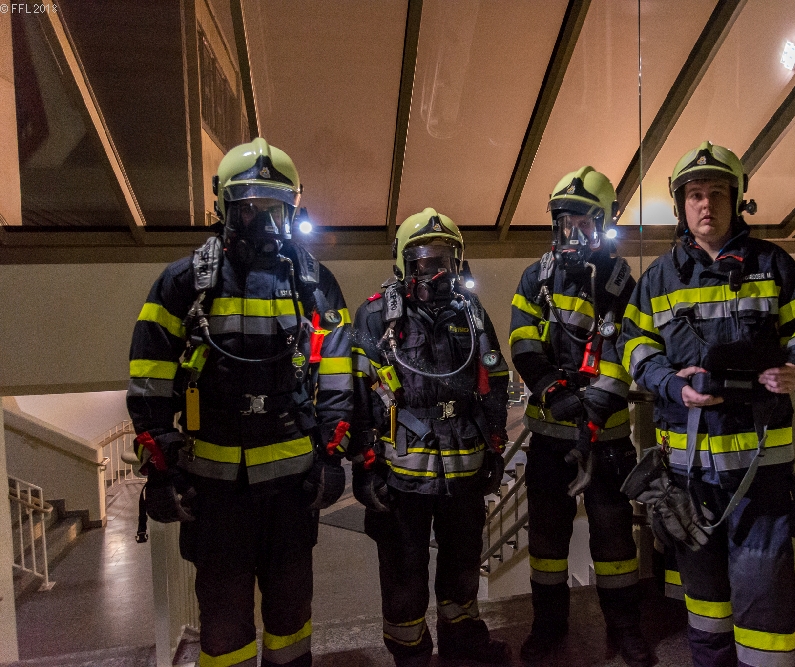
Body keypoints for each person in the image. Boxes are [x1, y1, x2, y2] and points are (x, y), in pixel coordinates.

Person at [127, 138, 353, 667]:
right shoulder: (184, 283)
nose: (265, 222)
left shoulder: (314, 283)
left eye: (277, 208)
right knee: (224, 626)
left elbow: (338, 374)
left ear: (293, 209)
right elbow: (150, 382)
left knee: (291, 617)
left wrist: (332, 456)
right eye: (251, 208)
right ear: (224, 207)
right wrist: (161, 473)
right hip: (214, 491)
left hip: (292, 489)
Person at [618, 141, 795, 667]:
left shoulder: (773, 265)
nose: (706, 204)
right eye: (695, 194)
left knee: (764, 601)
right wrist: (673, 386)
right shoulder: (658, 279)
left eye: (717, 192)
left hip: (761, 477)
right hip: (688, 476)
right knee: (705, 604)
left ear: (737, 200)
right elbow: (633, 346)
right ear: (680, 204)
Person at [351, 208, 512, 667]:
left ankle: (463, 643)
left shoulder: (472, 313)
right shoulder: (376, 316)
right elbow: (358, 394)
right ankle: (410, 655)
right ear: (404, 263)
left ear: (458, 261)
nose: (435, 268)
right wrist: (365, 467)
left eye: (444, 257)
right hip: (401, 477)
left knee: (463, 564)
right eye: (423, 259)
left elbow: (495, 379)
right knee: (403, 574)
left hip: (464, 470)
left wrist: (494, 446)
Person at [508, 167, 653, 666]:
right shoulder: (536, 277)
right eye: (564, 221)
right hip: (549, 438)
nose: (572, 231)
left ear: (604, 222)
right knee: (547, 542)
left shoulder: (622, 283)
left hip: (606, 440)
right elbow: (522, 342)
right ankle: (548, 627)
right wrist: (553, 391)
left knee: (614, 541)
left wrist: (592, 406)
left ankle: (625, 629)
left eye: (583, 222)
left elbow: (626, 351)